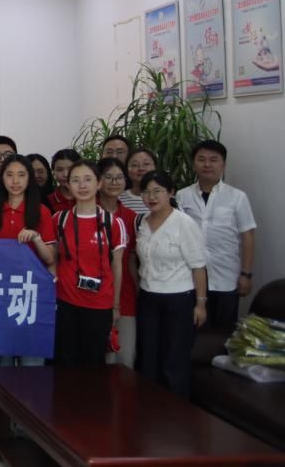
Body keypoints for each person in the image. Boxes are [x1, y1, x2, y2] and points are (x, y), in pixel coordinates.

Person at [136, 170, 209, 397]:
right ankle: (150, 407)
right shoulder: (142, 222)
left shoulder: (184, 223)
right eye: (146, 192)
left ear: (171, 192)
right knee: (148, 357)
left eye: (157, 191)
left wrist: (200, 303)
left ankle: (177, 411)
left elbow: (199, 266)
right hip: (148, 297)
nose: (151, 197)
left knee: (174, 360)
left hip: (179, 299)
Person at [176, 140, 257, 333]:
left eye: (213, 160)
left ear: (223, 164)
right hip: (190, 279)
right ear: (194, 164)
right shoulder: (182, 196)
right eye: (201, 159)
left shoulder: (237, 197)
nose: (207, 164)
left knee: (224, 334)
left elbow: (247, 236)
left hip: (226, 277)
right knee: (194, 332)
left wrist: (246, 274)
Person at [53, 159, 128, 367]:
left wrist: (115, 306)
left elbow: (117, 267)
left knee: (93, 364)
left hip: (99, 304)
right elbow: (53, 259)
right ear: (69, 185)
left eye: (88, 179)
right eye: (76, 180)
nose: (82, 185)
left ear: (99, 183)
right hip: (65, 302)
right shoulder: (59, 219)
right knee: (65, 363)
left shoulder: (113, 223)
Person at [0, 155, 57, 366]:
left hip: (32, 292)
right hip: (1, 292)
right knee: (3, 362)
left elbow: (50, 258)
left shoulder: (41, 211)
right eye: (9, 175)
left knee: (32, 361)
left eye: (21, 175)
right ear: (2, 178)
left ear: (29, 179)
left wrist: (36, 238)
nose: (15, 181)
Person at [97, 157, 140, 367]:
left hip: (125, 295)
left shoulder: (132, 217)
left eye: (119, 177)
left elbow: (133, 259)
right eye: (108, 177)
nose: (114, 182)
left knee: (125, 357)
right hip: (93, 294)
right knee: (97, 359)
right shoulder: (84, 212)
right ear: (98, 180)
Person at [121, 148, 158, 216]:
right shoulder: (118, 199)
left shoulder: (166, 198)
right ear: (126, 170)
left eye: (146, 164)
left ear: (155, 168)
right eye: (134, 165)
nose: (141, 168)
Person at [46, 148, 80, 213]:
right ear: (53, 171)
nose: (65, 174)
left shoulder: (92, 197)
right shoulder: (48, 200)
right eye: (60, 170)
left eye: (70, 169)